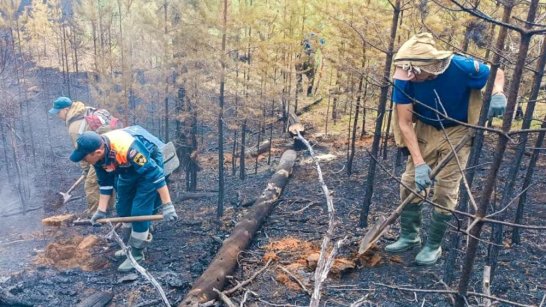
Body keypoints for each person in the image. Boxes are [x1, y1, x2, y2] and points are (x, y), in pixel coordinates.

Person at [388, 33, 506, 265]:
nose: (408, 76)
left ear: (429, 66)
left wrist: (498, 93)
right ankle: (410, 236)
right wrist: (420, 164)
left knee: (445, 190)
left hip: (459, 129)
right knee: (410, 182)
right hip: (424, 128)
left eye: (414, 72)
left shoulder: (461, 66)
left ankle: (433, 245)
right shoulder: (404, 76)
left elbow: (496, 72)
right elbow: (404, 123)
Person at [69, 127, 178, 272]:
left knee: (139, 213)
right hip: (127, 169)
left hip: (148, 166)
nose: (83, 160)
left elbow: (155, 175)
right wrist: (100, 211)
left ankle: (137, 254)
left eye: (84, 157)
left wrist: (168, 205)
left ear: (98, 152)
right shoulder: (97, 158)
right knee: (123, 208)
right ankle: (128, 245)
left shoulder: (129, 148)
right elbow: (105, 183)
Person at [49, 96, 121, 215]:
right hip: (115, 144)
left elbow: (83, 152)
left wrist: (86, 171)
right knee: (106, 179)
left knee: (92, 184)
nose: (58, 116)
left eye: (58, 112)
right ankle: (108, 210)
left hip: (103, 150)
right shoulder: (84, 110)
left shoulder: (75, 127)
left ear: (66, 110)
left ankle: (96, 215)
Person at [296, 32, 325, 97]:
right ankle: (303, 91)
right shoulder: (311, 37)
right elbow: (322, 43)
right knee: (308, 75)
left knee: (310, 75)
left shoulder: (316, 37)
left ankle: (307, 92)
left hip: (310, 59)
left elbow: (322, 42)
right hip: (307, 58)